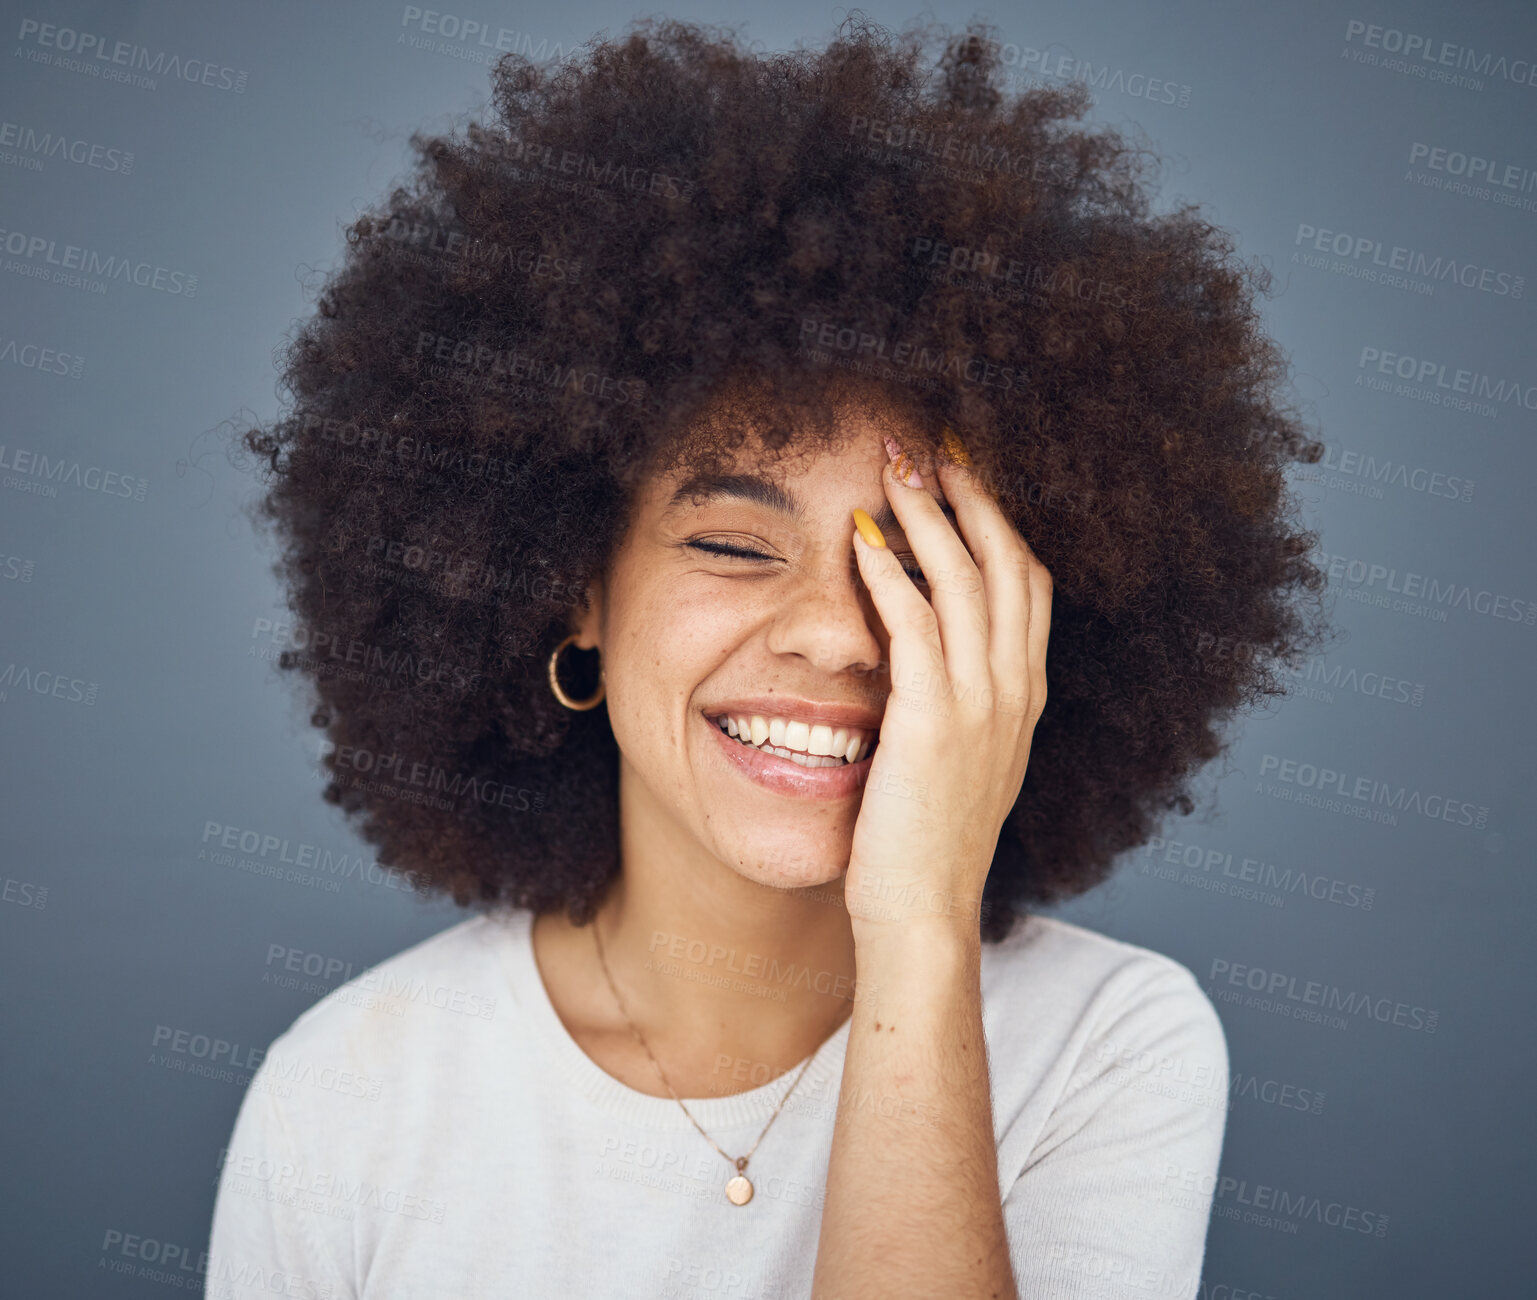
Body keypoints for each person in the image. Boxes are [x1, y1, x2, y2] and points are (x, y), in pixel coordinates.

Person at [209, 15, 1328, 1298]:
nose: (839, 632)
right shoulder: (348, 1092)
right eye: (735, 545)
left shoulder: (1110, 1044)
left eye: (917, 565)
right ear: (571, 587)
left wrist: (918, 921)